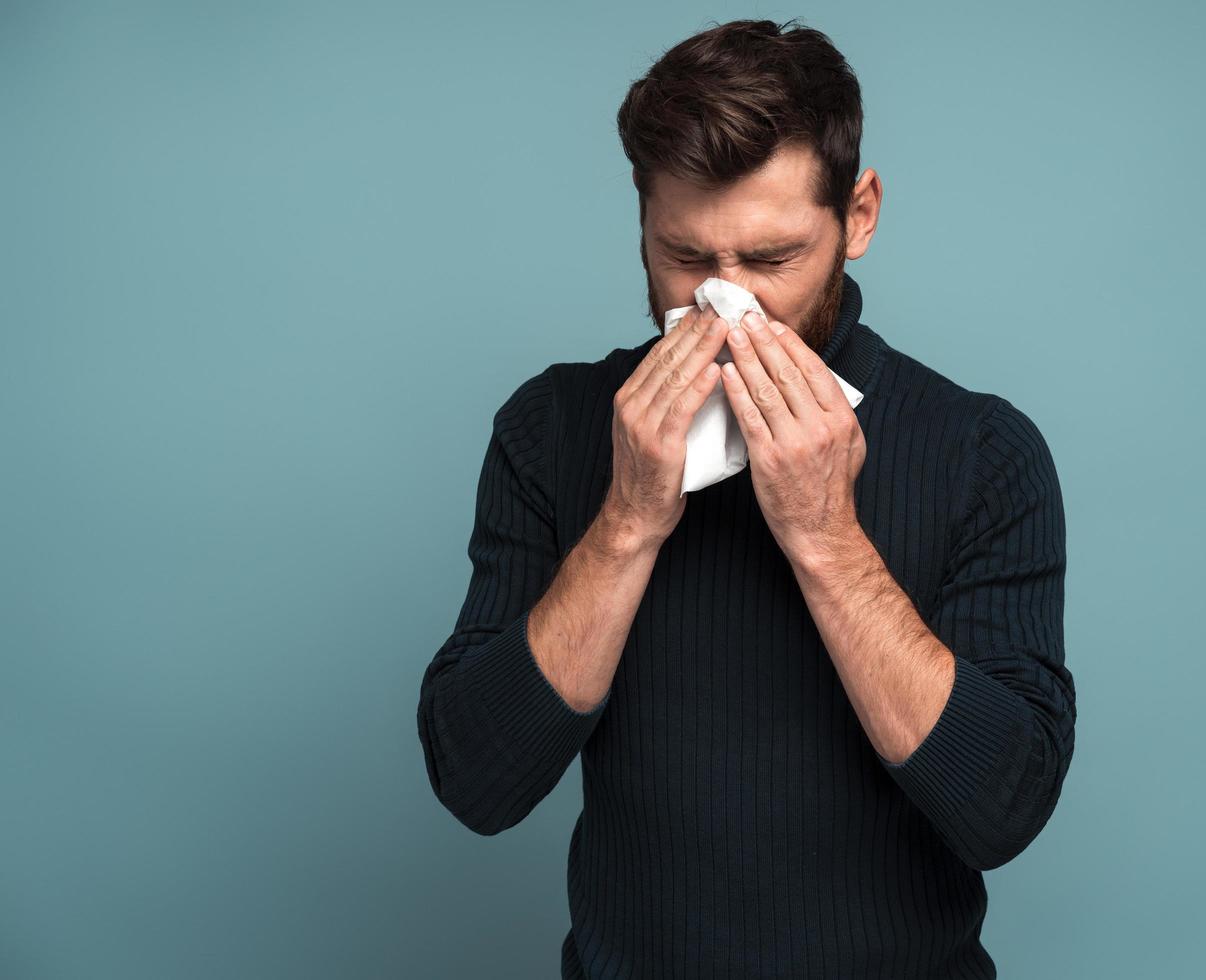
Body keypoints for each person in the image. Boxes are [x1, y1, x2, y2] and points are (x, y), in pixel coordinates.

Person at [417, 18, 1076, 979]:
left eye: (771, 262)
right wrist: (630, 518)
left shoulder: (982, 451)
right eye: (685, 258)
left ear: (859, 216)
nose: (726, 306)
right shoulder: (550, 428)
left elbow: (1001, 809)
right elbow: (478, 783)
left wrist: (825, 536)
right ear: (640, 223)